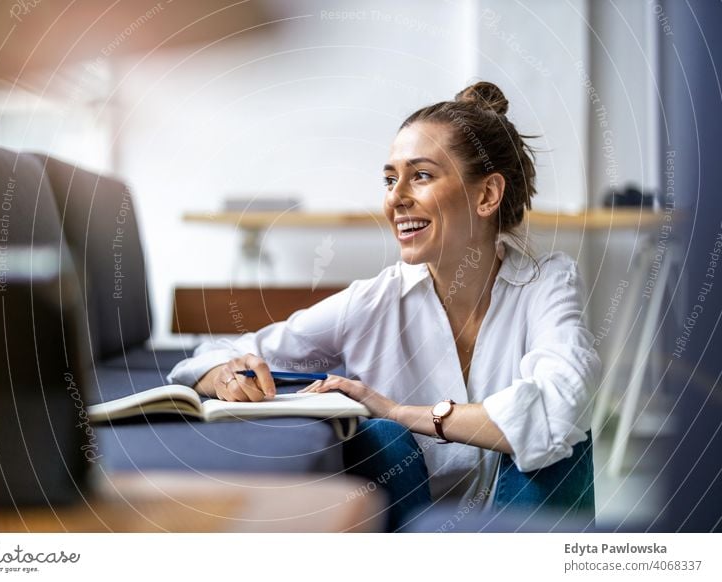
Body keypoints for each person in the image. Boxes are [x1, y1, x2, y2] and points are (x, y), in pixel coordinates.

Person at [167, 81, 601, 530]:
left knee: (562, 445)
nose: (395, 198)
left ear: (487, 195)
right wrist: (223, 374)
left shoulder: (546, 281)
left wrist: (400, 411)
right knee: (382, 436)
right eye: (390, 179)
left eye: (422, 175)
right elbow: (225, 352)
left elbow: (560, 404)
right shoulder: (373, 301)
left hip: (511, 523)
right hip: (405, 518)